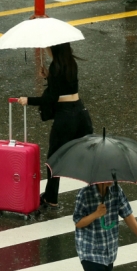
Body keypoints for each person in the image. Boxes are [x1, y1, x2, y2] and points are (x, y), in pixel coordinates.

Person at [18, 42, 93, 209]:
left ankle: (51, 197)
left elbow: (50, 98)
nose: (46, 50)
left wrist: (28, 100)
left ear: (55, 49)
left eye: (48, 47)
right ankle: (98, 192)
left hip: (65, 118)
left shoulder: (56, 67)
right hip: (81, 113)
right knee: (89, 156)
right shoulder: (71, 63)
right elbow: (64, 86)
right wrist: (48, 77)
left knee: (54, 158)